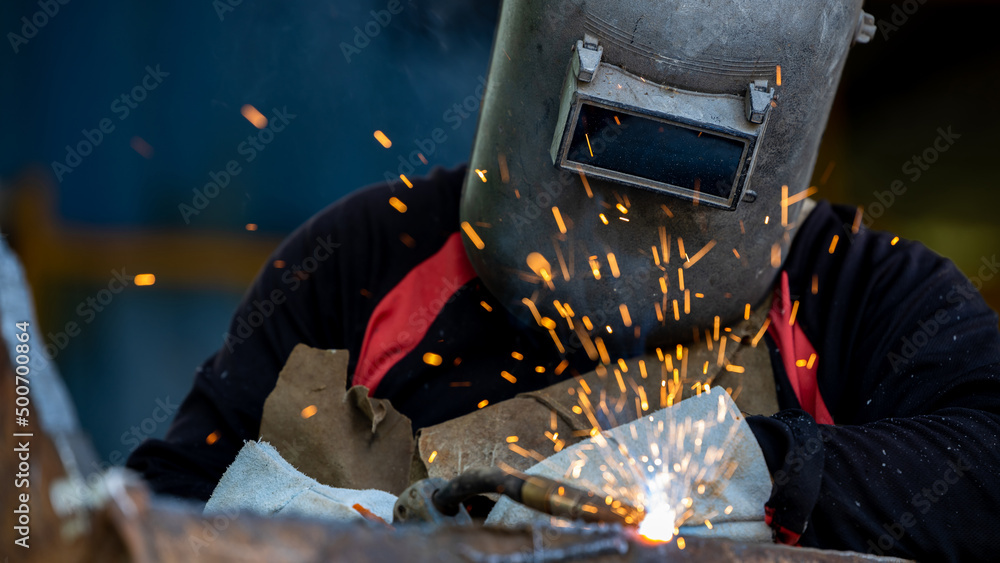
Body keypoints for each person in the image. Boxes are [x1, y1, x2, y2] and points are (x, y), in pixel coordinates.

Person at [128, 1, 1000, 560]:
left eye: (695, 163)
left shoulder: (847, 289)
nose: (634, 206)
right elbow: (154, 510)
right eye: (609, 136)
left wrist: (755, 464)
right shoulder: (366, 258)